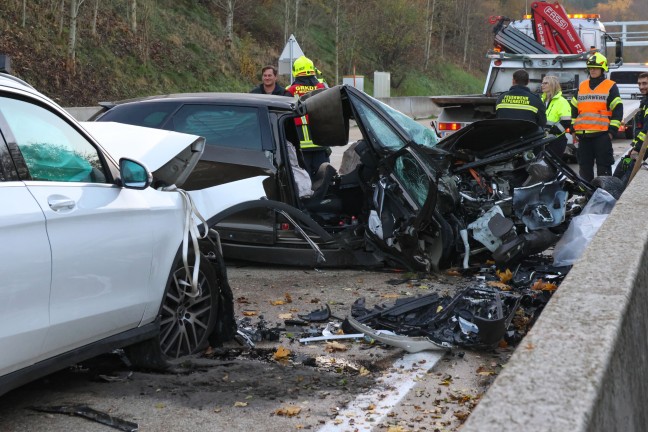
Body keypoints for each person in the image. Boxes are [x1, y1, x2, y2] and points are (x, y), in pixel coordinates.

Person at [570, 52, 623, 182]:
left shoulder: (610, 86)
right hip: (583, 136)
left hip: (602, 135)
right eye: (590, 67)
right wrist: (573, 129)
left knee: (603, 168)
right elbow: (574, 107)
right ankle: (586, 197)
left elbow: (618, 110)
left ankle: (604, 196)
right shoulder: (582, 86)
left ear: (602, 68)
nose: (592, 70)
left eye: (595, 67)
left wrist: (611, 132)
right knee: (584, 168)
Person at [285, 55, 328, 178]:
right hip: (321, 142)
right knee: (324, 178)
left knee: (304, 179)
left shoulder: (290, 90)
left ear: (295, 71)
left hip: (300, 144)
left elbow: (285, 118)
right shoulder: (322, 88)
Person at [540, 75, 572, 158]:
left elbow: (566, 122)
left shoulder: (562, 102)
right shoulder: (541, 100)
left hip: (556, 141)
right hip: (542, 140)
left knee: (552, 168)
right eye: (542, 83)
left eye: (545, 83)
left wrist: (551, 131)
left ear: (553, 85)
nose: (542, 85)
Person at [628, 72, 648, 159]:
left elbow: (646, 130)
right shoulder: (644, 101)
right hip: (642, 146)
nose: (641, 87)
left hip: (643, 147)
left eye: (644, 83)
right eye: (639, 84)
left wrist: (637, 148)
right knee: (622, 169)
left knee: (624, 170)